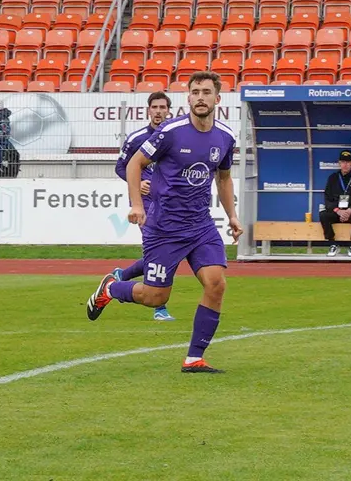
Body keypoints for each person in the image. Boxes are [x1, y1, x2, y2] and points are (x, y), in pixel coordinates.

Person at [89, 72, 241, 373]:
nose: (200, 97)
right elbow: (135, 164)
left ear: (217, 99)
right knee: (155, 296)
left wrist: (232, 215)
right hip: (164, 227)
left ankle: (194, 357)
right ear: (188, 98)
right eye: (195, 91)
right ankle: (111, 288)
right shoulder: (171, 132)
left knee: (216, 284)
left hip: (201, 226)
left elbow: (223, 178)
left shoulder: (225, 137)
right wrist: (136, 204)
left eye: (206, 92)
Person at [105, 92, 175, 321]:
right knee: (159, 253)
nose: (158, 111)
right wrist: (138, 182)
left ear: (169, 111)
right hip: (145, 204)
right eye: (154, 107)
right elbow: (120, 167)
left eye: (162, 107)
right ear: (148, 111)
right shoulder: (137, 138)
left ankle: (121, 275)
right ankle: (159, 307)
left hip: (170, 204)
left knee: (168, 252)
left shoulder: (176, 136)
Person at [319, 150, 351, 257]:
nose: (345, 164)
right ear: (339, 163)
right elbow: (327, 199)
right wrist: (338, 211)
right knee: (323, 215)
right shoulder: (333, 178)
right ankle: (332, 243)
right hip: (337, 211)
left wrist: (349, 210)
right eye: (343, 162)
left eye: (348, 162)